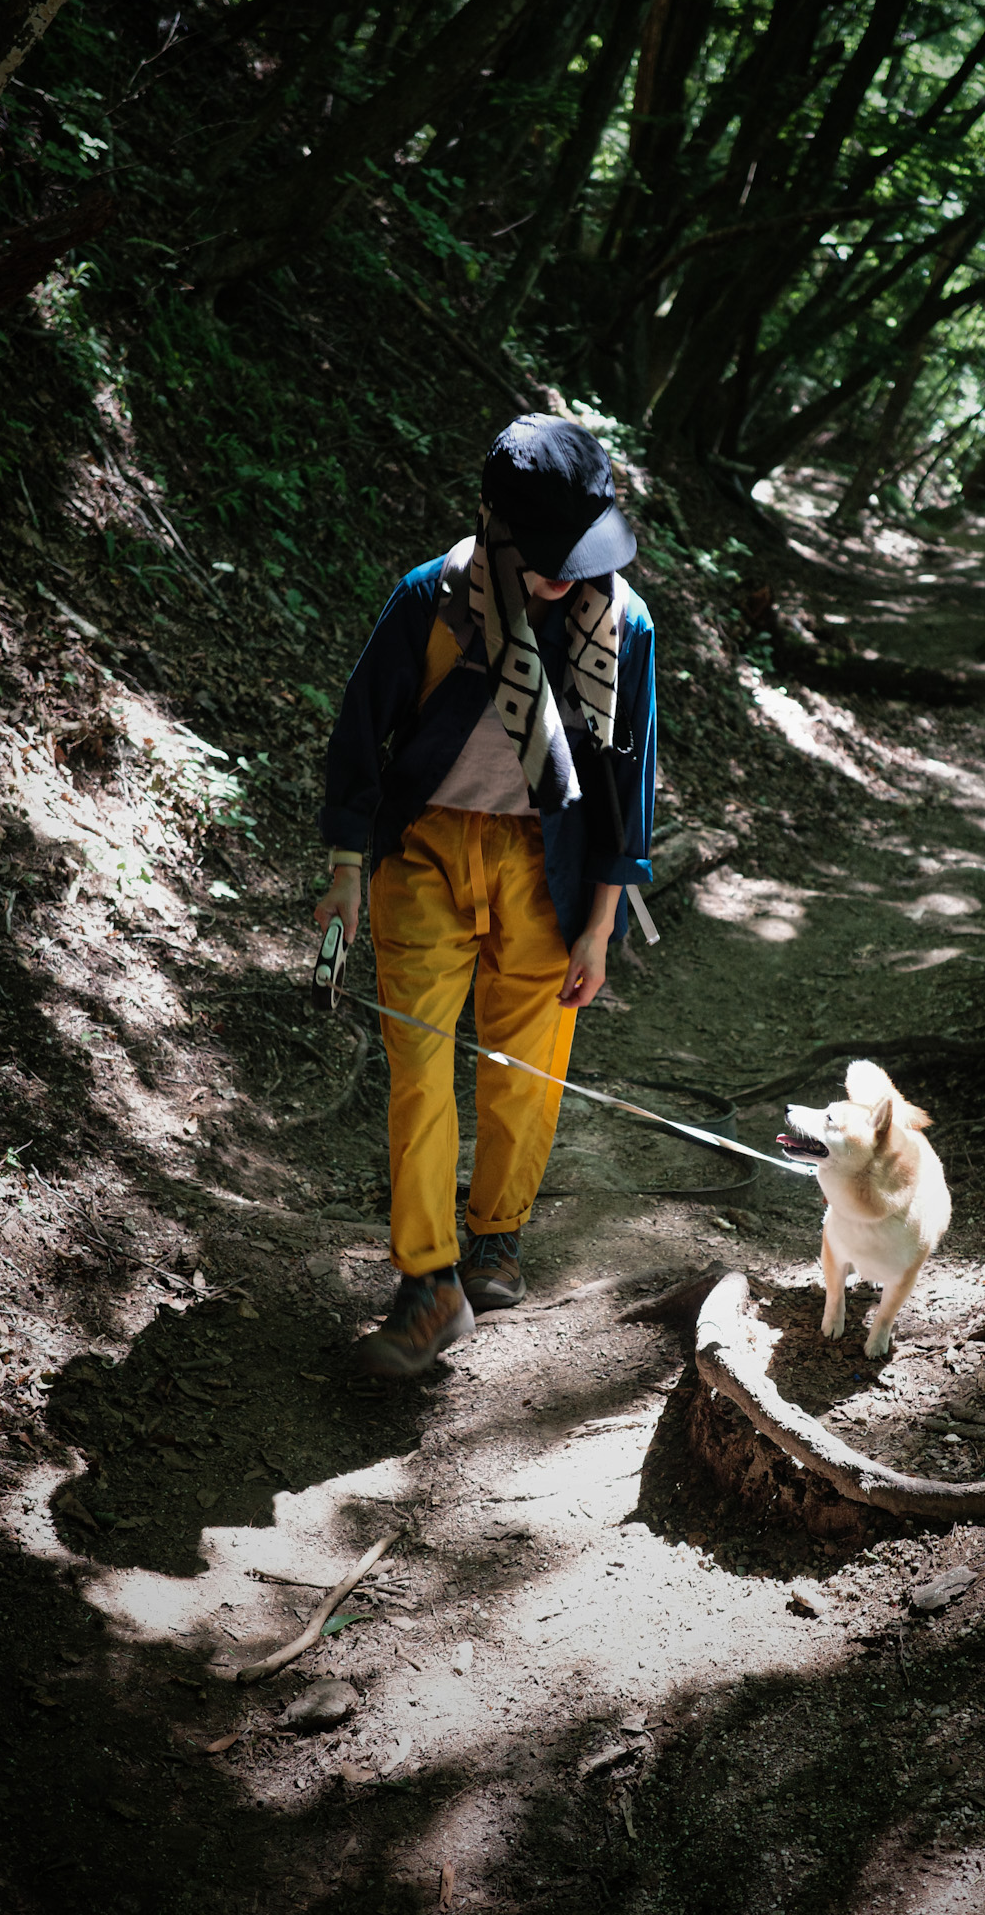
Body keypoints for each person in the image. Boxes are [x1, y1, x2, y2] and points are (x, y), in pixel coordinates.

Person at [313, 414, 656, 1377]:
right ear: (493, 523)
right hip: (425, 851)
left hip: (549, 869)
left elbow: (628, 787)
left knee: (524, 1068)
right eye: (547, 555)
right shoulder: (433, 598)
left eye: (579, 554)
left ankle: (495, 1238)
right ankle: (427, 1283)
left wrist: (598, 927)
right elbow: (359, 733)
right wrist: (345, 871)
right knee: (420, 1071)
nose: (566, 576)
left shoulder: (621, 625)